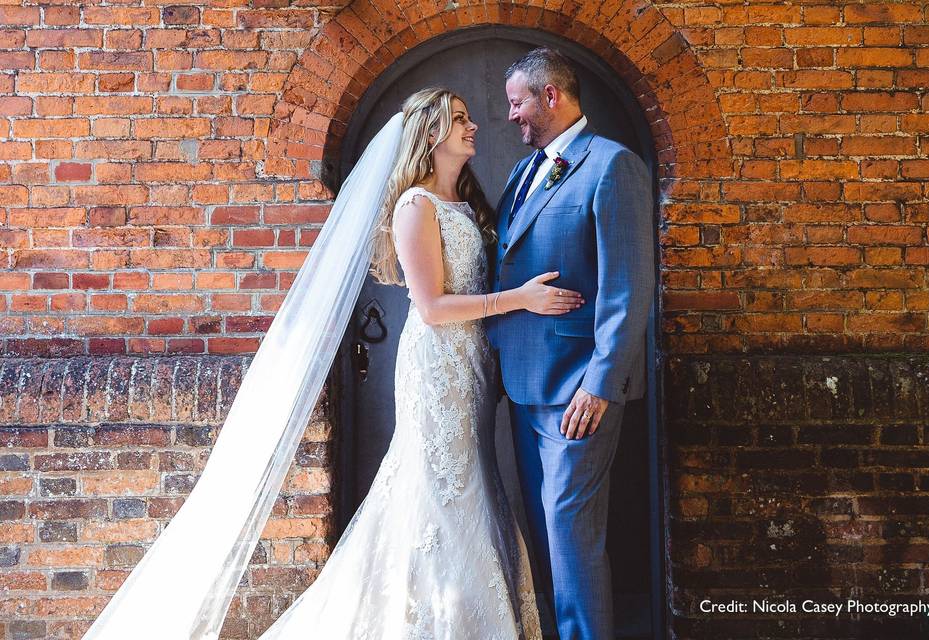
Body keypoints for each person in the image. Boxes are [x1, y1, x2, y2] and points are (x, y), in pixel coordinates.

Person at [254, 88, 588, 638]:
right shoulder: (415, 205)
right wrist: (520, 300)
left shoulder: (467, 204)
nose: (473, 125)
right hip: (437, 365)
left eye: (467, 116)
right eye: (459, 119)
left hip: (473, 366)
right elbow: (431, 307)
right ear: (430, 134)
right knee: (439, 485)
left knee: (472, 479)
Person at [487, 48, 655, 640]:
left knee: (568, 529)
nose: (510, 117)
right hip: (524, 383)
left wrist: (602, 382)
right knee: (542, 530)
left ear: (550, 96)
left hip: (578, 389)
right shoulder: (523, 171)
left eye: (517, 103)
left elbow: (628, 288)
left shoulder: (613, 166)